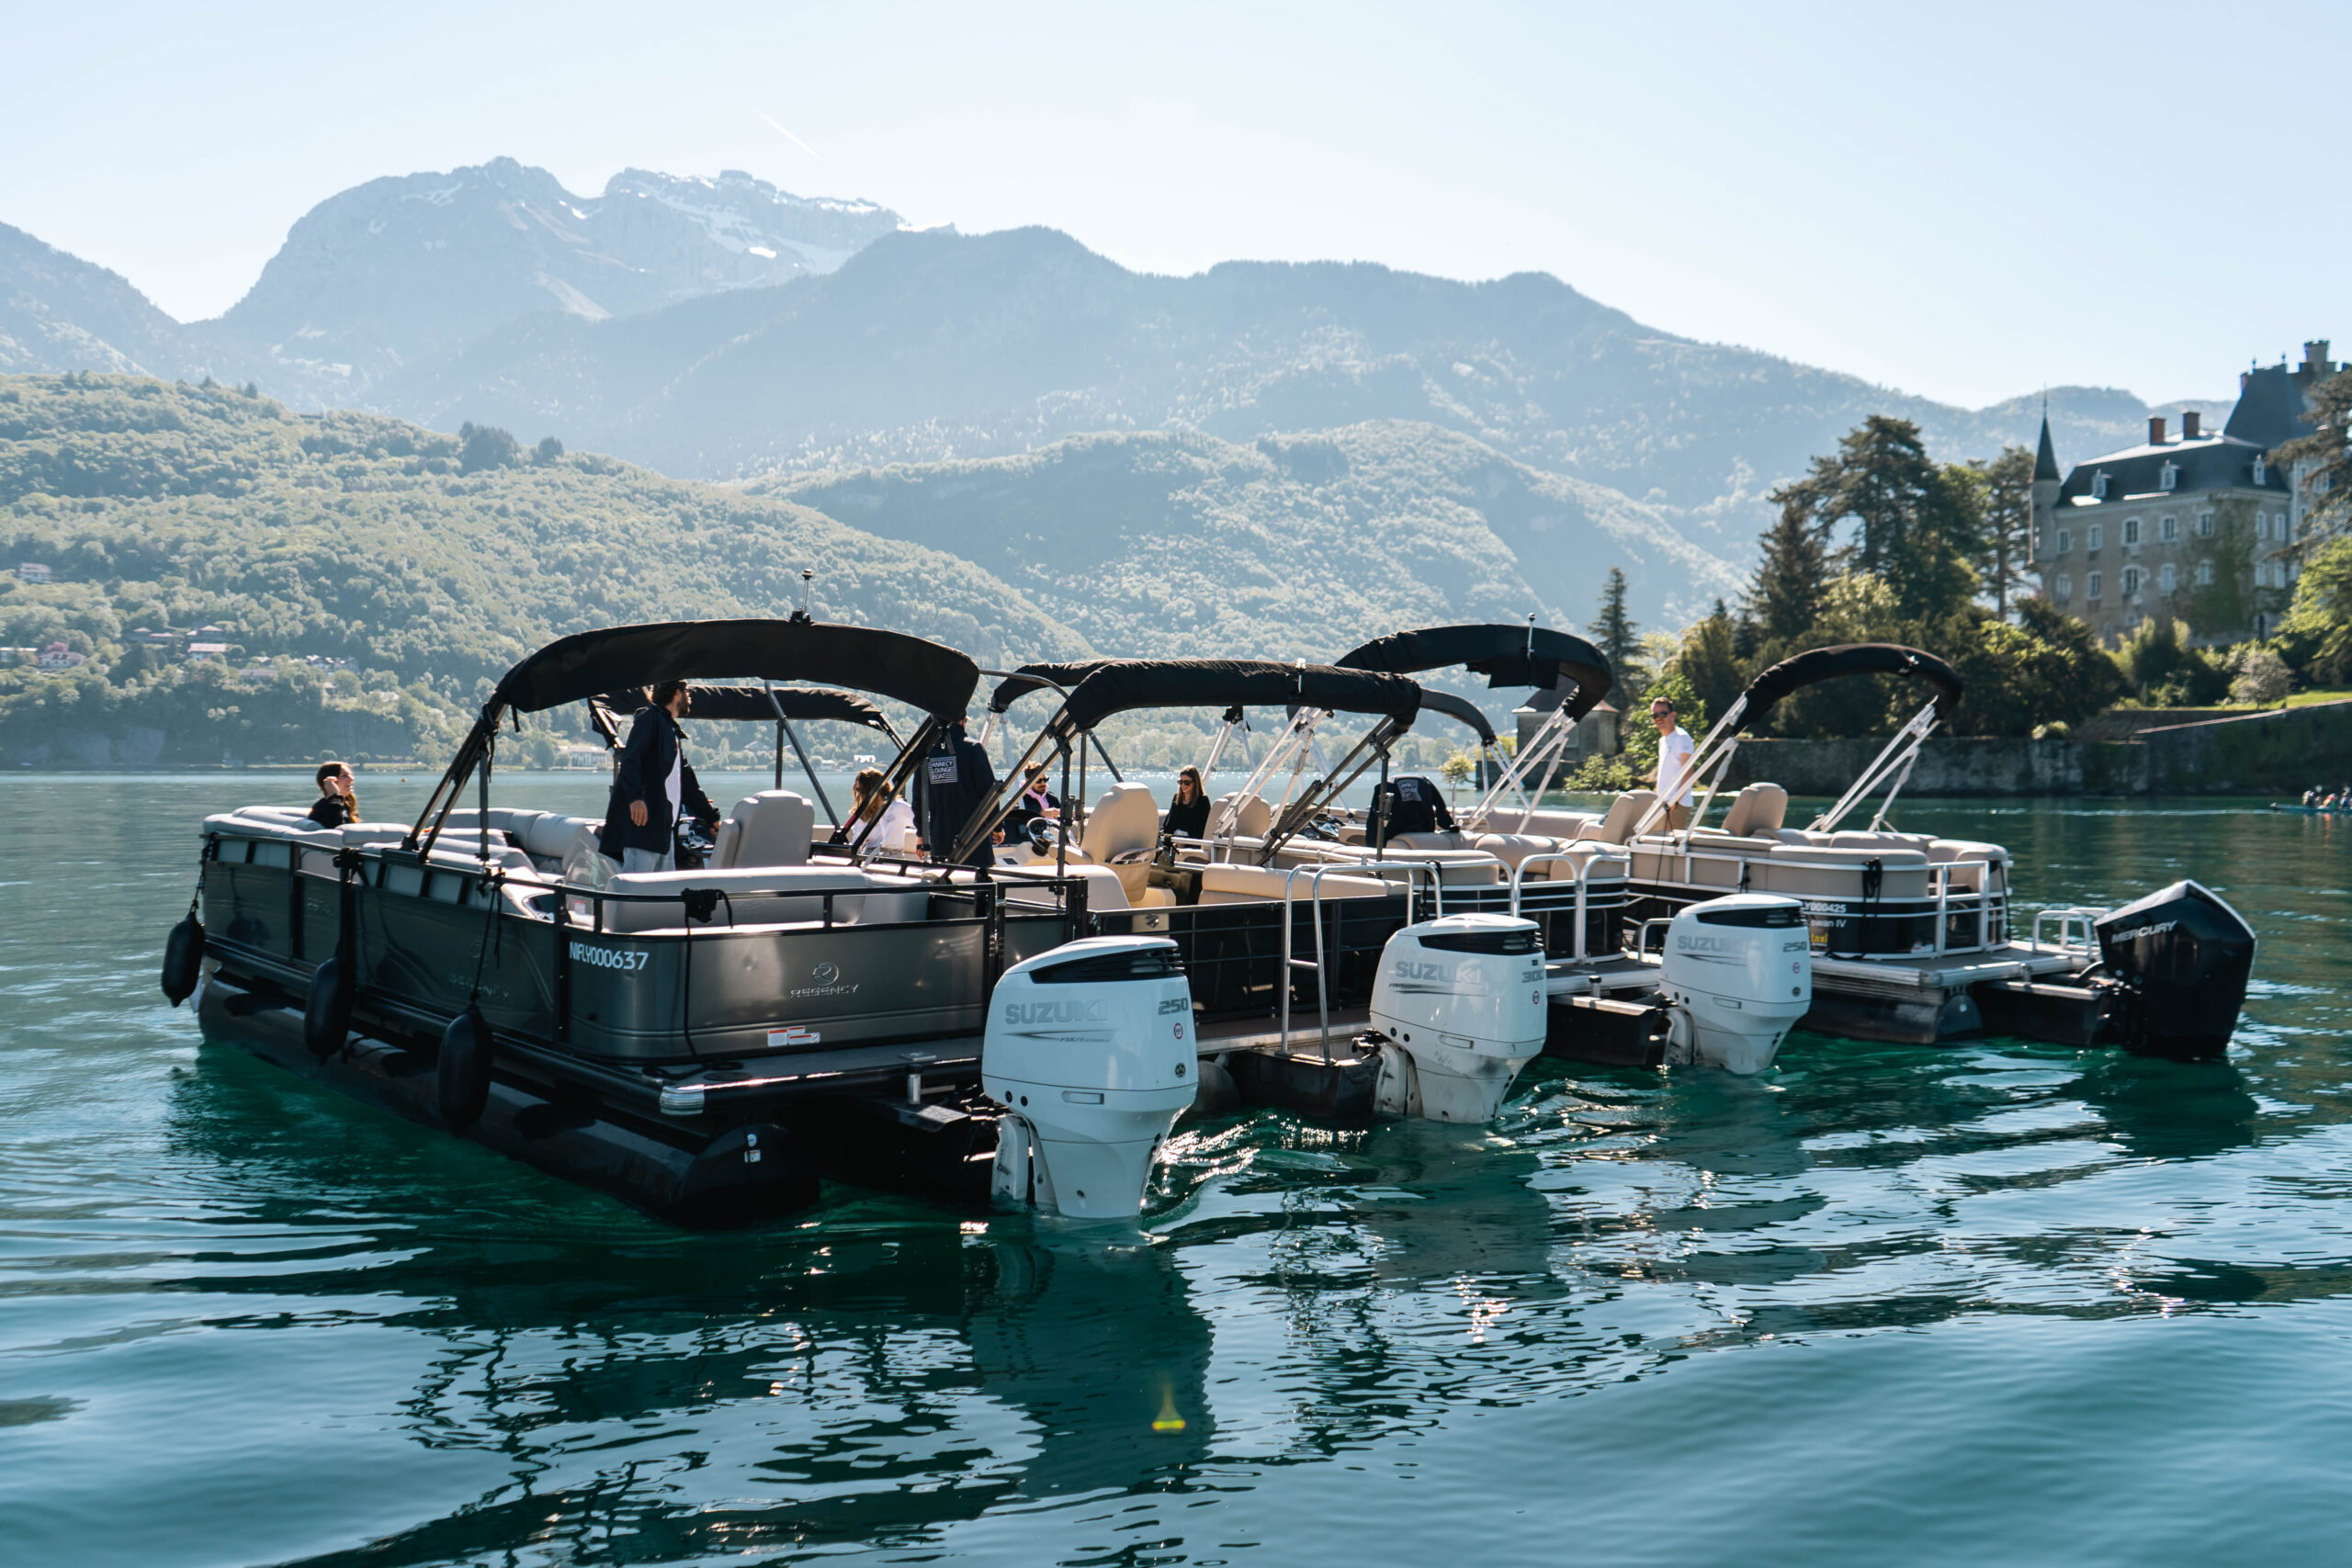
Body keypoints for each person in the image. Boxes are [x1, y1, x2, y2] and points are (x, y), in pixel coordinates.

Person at [597, 681, 718, 873]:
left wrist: (712, 817)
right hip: (644, 826)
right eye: (687, 691)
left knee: (661, 891)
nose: (689, 696)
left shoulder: (670, 729)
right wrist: (636, 798)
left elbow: (687, 783)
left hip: (664, 828)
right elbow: (630, 759)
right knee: (639, 891)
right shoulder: (650, 718)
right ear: (677, 693)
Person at [921, 714, 999, 867]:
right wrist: (997, 826)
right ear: (963, 721)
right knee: (977, 886)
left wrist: (920, 833)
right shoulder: (972, 749)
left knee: (945, 886)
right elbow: (989, 792)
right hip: (973, 837)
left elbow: (920, 796)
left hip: (940, 838)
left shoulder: (928, 752)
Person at [1650, 695, 1697, 831]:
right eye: (1655, 715)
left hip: (1677, 804)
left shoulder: (1682, 738)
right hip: (1663, 803)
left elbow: (1688, 773)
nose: (1659, 718)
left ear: (1672, 715)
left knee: (1671, 848)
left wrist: (1675, 800)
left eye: (1663, 714)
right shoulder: (1663, 740)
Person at [849, 767, 917, 853]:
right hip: (868, 855)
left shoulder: (899, 807)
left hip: (892, 856)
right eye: (857, 789)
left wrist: (921, 839)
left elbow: (923, 824)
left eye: (860, 790)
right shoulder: (862, 812)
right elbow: (857, 838)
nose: (859, 793)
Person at [1003, 764, 1063, 837]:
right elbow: (1018, 813)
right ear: (1028, 781)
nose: (1043, 783)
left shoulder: (1052, 798)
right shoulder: (1020, 799)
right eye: (1038, 781)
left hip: (1053, 835)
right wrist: (1042, 812)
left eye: (1045, 779)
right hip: (1031, 837)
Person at [306, 760, 359, 829]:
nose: (351, 778)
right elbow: (334, 830)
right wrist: (335, 795)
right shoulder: (323, 808)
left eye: (351, 775)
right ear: (332, 782)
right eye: (344, 775)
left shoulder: (345, 806)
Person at [1162, 765, 1210, 840]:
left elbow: (1202, 828)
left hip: (1192, 843)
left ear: (1195, 782)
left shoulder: (1202, 801)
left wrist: (1184, 842)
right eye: (1181, 782)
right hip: (1173, 842)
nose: (1183, 785)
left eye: (1187, 782)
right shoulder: (1176, 799)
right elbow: (1168, 825)